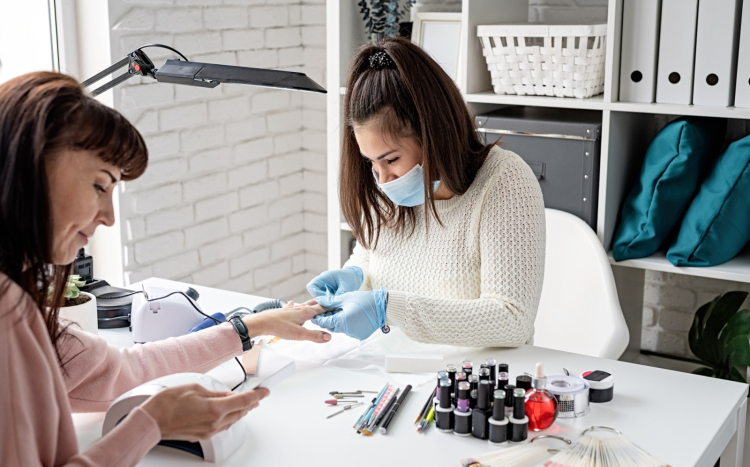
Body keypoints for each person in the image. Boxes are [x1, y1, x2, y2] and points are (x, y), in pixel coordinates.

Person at [0, 72, 329, 467]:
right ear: (29, 168)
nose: (108, 216)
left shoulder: (22, 307)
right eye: (101, 186)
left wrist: (251, 326)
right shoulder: (8, 314)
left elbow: (123, 371)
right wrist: (151, 423)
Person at [307, 38, 546, 348]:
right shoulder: (388, 184)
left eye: (391, 159)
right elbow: (372, 261)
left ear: (433, 133)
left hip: (471, 383)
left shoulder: (504, 181)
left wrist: (386, 307)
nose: (383, 179)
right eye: (371, 162)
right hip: (397, 370)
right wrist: (354, 275)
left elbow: (513, 319)